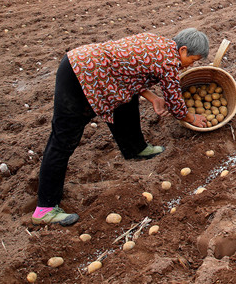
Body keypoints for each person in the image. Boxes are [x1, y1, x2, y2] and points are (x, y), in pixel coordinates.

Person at [31, 28, 210, 226]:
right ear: (183, 50)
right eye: (193, 60)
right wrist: (192, 118)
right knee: (63, 139)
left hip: (96, 70)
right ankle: (45, 208)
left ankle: (135, 149)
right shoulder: (168, 62)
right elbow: (176, 104)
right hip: (80, 76)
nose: (191, 65)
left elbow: (131, 74)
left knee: (126, 99)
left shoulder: (158, 43)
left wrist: (153, 98)